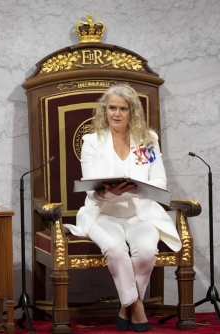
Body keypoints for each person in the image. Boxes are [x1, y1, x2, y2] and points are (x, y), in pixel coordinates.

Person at [63, 85, 181, 332]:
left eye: (123, 109)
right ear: (105, 110)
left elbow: (160, 182)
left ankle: (125, 306)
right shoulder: (92, 142)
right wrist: (109, 193)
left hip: (141, 214)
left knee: (147, 250)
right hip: (103, 214)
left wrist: (134, 188)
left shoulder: (148, 140)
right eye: (112, 108)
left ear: (132, 111)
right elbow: (89, 188)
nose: (116, 113)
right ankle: (137, 306)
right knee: (115, 248)